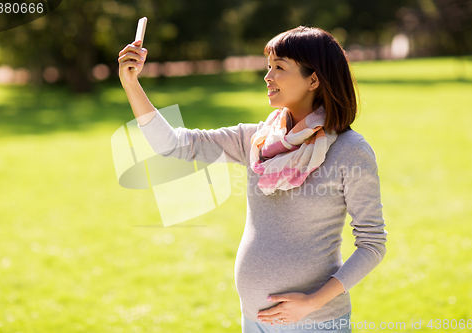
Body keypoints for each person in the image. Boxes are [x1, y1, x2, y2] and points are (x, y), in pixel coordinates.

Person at [118, 26, 387, 333]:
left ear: (313, 79)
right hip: (253, 320)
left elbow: (372, 243)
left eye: (279, 68)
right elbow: (173, 144)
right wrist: (130, 83)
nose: (267, 76)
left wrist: (311, 302)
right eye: (268, 66)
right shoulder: (257, 140)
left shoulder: (350, 150)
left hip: (315, 323)